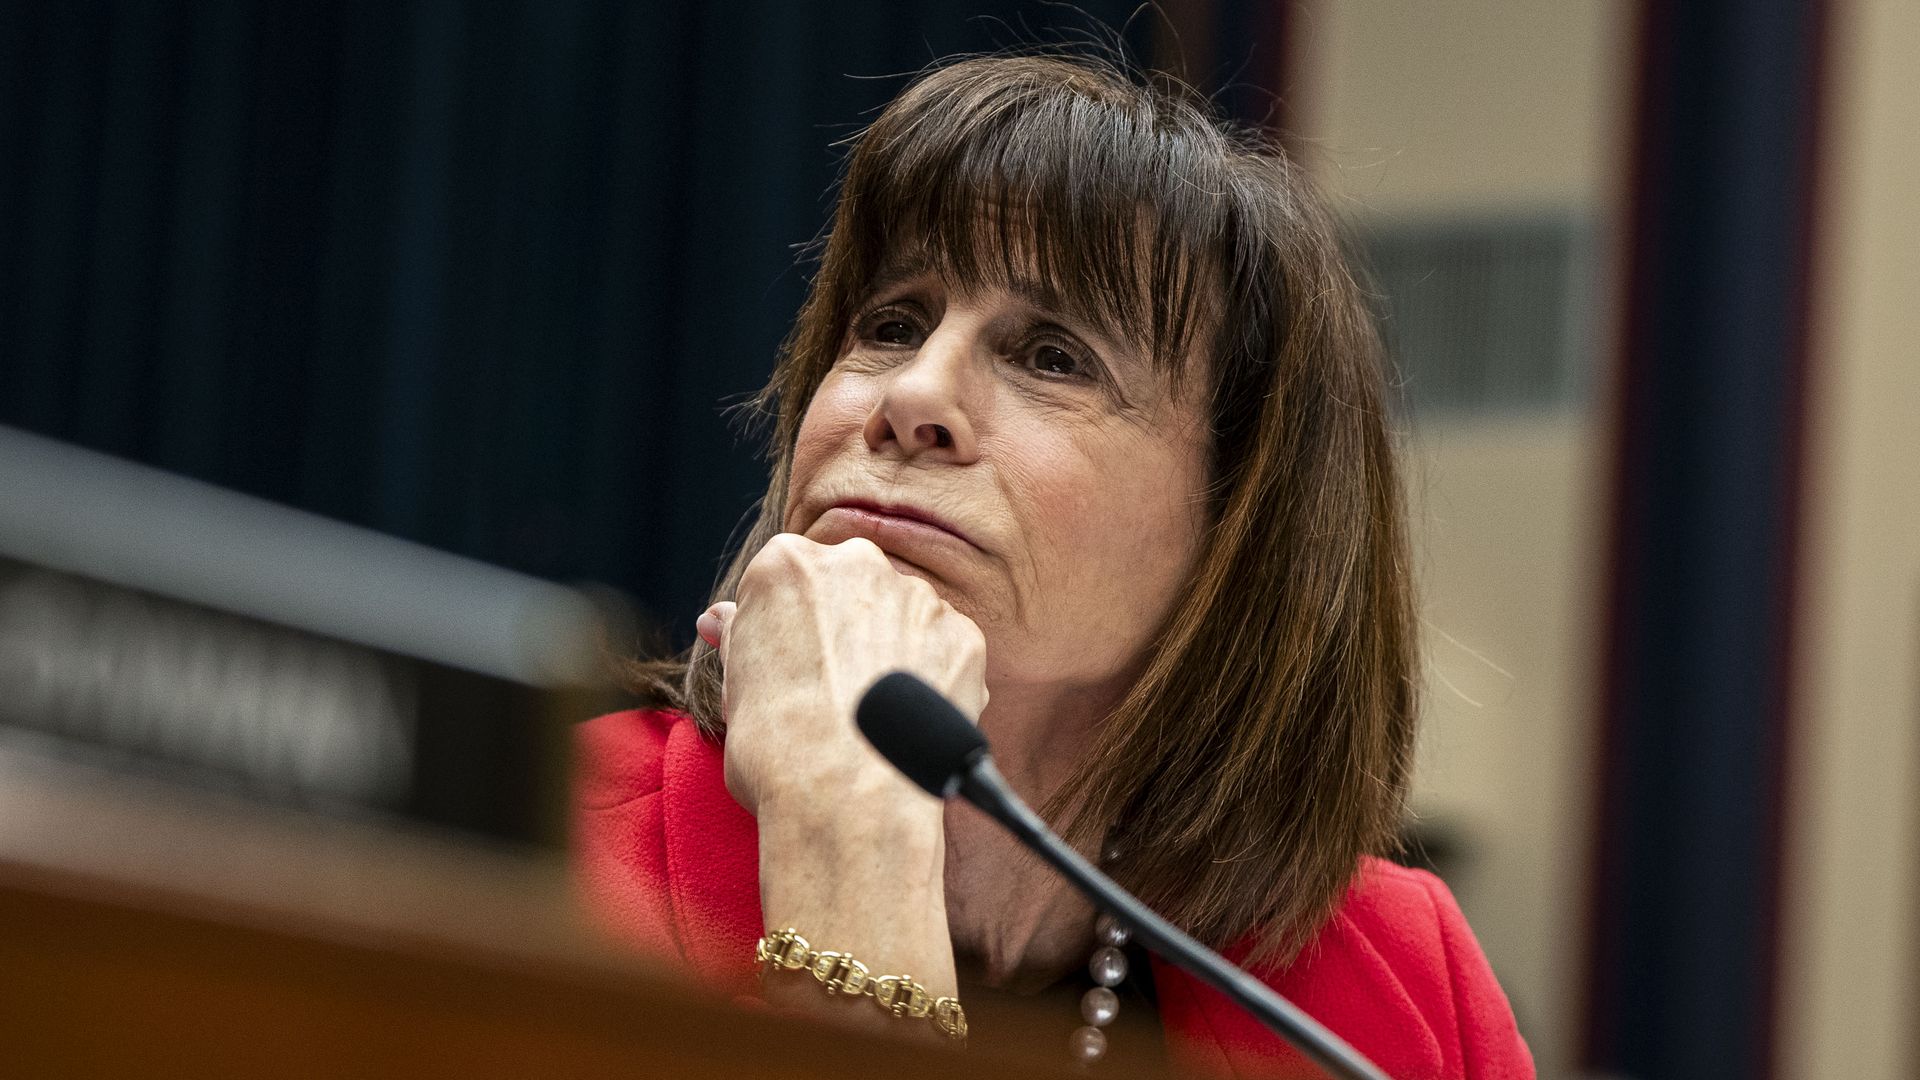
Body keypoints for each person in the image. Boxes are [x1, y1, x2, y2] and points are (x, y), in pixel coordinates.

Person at [575, 53, 1534, 1079]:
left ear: (1235, 523)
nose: (911, 397)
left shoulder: (1399, 980)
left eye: (1051, 357)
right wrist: (844, 822)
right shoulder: (533, 839)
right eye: (891, 325)